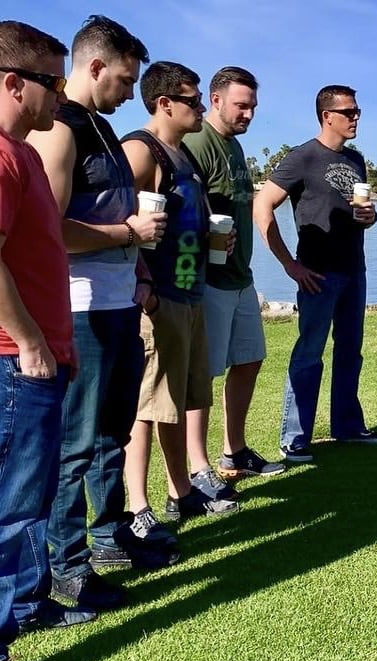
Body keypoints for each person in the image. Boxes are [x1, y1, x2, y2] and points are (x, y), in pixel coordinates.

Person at [26, 15, 178, 615]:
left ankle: (109, 539)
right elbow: (49, 230)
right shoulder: (61, 129)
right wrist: (126, 230)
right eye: (123, 78)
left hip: (118, 303)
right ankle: (66, 568)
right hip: (80, 307)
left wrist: (138, 267)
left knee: (114, 432)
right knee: (78, 443)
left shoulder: (105, 129)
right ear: (94, 67)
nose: (127, 90)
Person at [0, 20, 96, 661]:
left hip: (43, 353)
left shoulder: (28, 153)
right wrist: (31, 342)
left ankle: (29, 604)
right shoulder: (3, 156)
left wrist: (58, 342)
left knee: (29, 500)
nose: (61, 97)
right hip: (14, 362)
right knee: (13, 505)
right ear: (14, 83)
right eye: (52, 82)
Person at [122, 61, 238, 523]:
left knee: (180, 401)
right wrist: (142, 291)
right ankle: (138, 508)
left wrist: (216, 240)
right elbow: (122, 220)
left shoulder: (182, 155)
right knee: (146, 407)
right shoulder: (141, 150)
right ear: (164, 103)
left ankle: (181, 492)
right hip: (159, 298)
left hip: (190, 295)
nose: (198, 108)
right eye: (191, 100)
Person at [254, 84, 377, 463]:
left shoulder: (356, 161)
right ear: (327, 116)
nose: (356, 117)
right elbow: (262, 206)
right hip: (317, 274)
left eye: (357, 111)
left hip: (353, 271)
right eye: (348, 112)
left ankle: (347, 427)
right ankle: (294, 440)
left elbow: (362, 216)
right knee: (310, 353)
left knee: (350, 351)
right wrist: (289, 264)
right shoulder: (302, 158)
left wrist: (370, 216)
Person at [183, 67, 284, 481]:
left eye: (253, 107)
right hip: (210, 280)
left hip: (241, 277)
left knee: (250, 359)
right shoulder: (198, 143)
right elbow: (185, 208)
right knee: (204, 373)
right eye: (242, 105)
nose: (248, 114)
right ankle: (198, 466)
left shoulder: (234, 148)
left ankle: (234, 451)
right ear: (216, 99)